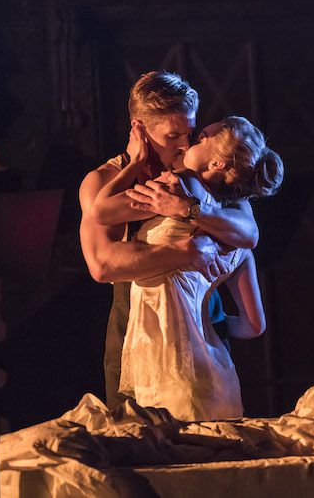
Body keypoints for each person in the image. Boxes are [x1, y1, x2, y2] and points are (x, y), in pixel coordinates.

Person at [78, 71, 259, 410]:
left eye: (190, 132)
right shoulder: (101, 182)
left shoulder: (201, 170)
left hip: (208, 337)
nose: (185, 144)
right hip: (136, 347)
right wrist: (183, 252)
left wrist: (190, 210)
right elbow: (103, 266)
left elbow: (249, 233)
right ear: (139, 129)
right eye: (173, 134)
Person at [112, 116, 283, 420]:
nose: (192, 140)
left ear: (217, 164)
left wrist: (134, 162)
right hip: (213, 363)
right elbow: (254, 325)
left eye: (202, 137)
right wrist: (203, 321)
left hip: (164, 357)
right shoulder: (234, 232)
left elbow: (102, 211)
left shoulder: (177, 185)